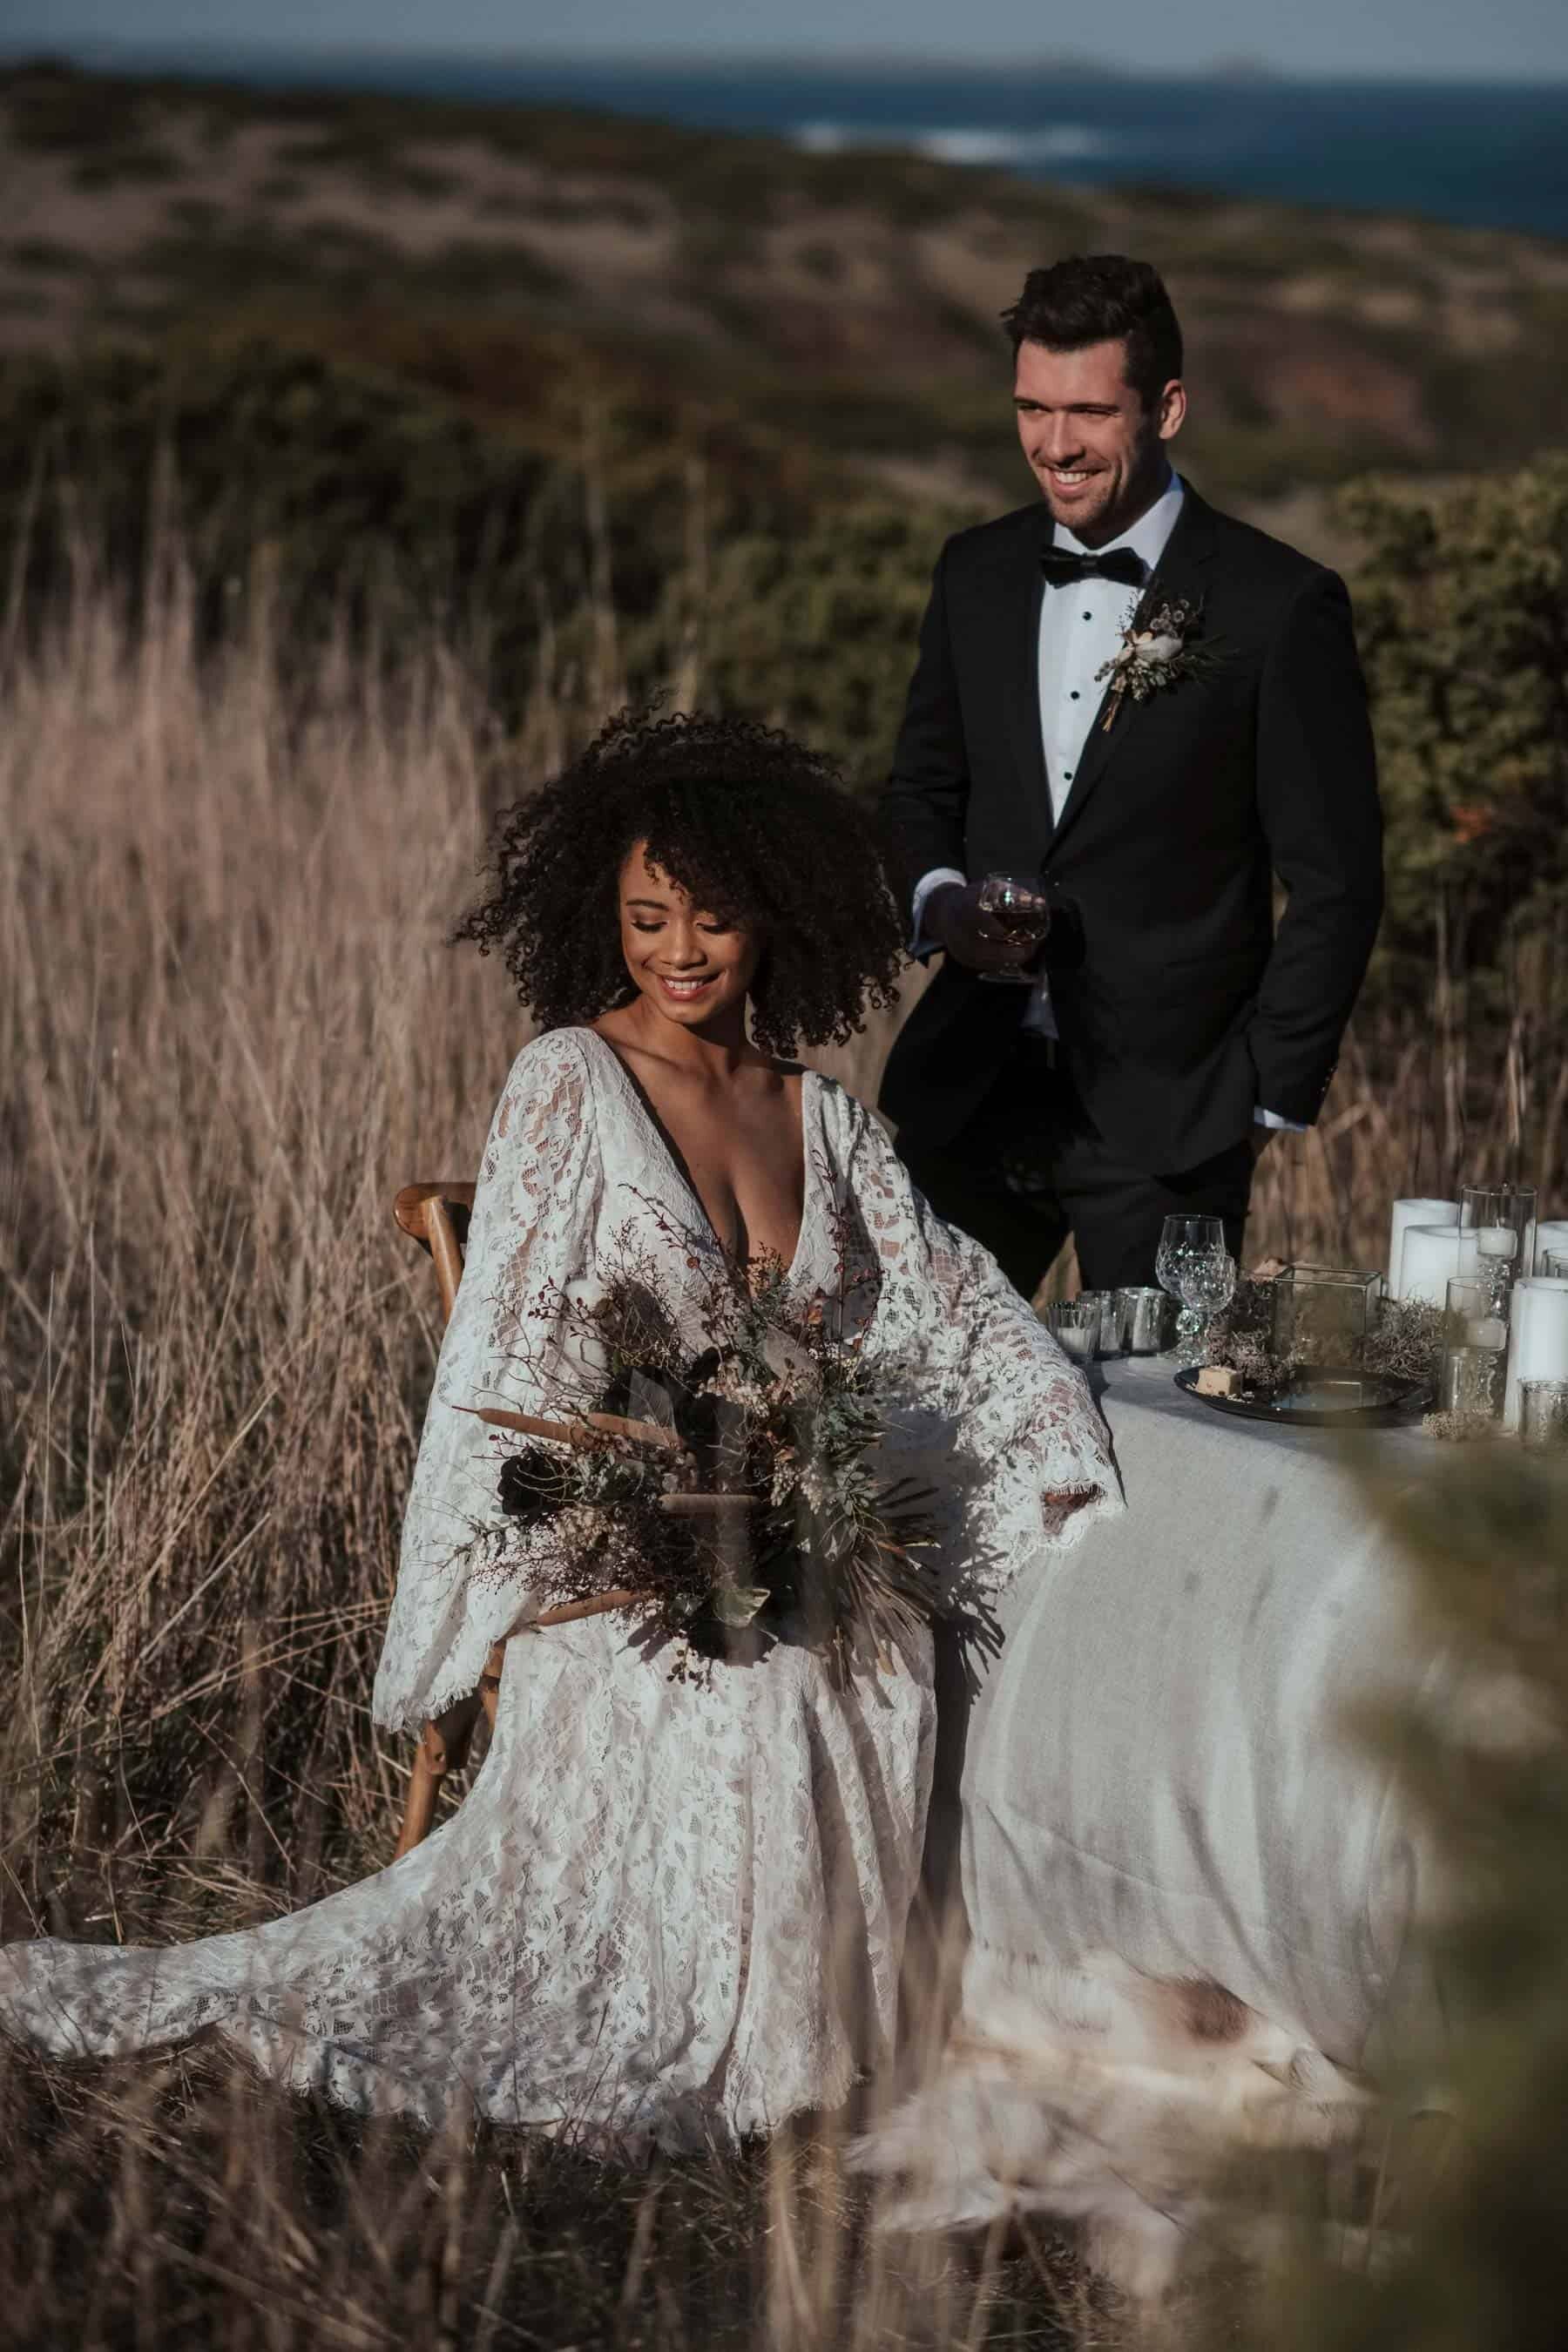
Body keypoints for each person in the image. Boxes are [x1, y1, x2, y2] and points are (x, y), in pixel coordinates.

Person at [0, 710, 1119, 2149]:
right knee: (754, 1682)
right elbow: (508, 1347)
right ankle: (738, 2039)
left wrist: (1054, 1436)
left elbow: (943, 1302)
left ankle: (885, 2002)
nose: (677, 952)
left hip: (787, 1535)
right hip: (620, 1554)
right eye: (647, 918)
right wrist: (534, 1570)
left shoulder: (822, 1117)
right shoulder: (568, 1084)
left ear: (775, 920)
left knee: (890, 1647)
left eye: (712, 921)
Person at [881, 254, 1383, 1297]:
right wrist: (941, 903)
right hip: (969, 1096)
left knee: (1166, 1449)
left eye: (1088, 413)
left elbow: (1336, 880)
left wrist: (1260, 1105)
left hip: (1172, 1130)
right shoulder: (971, 572)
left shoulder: (1278, 605)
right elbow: (921, 792)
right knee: (911, 1421)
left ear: (1168, 407)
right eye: (1030, 408)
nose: (1053, 446)